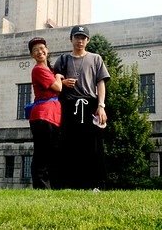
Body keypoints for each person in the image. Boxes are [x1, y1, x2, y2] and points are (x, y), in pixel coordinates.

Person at [53, 25, 110, 190]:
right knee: (69, 145)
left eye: (83, 38)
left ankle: (95, 185)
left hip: (91, 104)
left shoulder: (96, 58)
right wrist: (63, 83)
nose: (80, 41)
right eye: (77, 37)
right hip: (69, 106)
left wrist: (101, 106)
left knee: (93, 146)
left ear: (88, 40)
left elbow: (101, 83)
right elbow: (54, 84)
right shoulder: (63, 60)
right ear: (71, 39)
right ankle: (68, 184)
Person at [27, 36, 63, 189]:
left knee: (50, 153)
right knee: (42, 153)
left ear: (47, 50)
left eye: (42, 48)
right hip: (43, 116)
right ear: (32, 55)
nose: (39, 52)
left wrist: (59, 78)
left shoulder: (48, 69)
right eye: (35, 50)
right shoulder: (39, 69)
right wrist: (58, 78)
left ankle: (50, 187)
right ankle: (41, 188)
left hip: (52, 116)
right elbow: (58, 88)